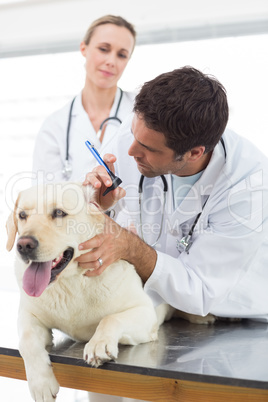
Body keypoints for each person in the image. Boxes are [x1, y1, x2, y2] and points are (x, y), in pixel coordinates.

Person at [77, 66, 268, 323]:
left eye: (146, 148)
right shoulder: (141, 133)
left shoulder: (248, 188)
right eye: (133, 134)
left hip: (235, 321)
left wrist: (131, 248)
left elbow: (200, 290)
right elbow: (99, 203)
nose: (131, 151)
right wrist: (98, 203)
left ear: (194, 153)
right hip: (157, 306)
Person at [32, 15, 136, 183]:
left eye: (122, 55)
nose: (111, 61)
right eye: (103, 49)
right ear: (84, 48)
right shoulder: (54, 127)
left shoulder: (142, 112)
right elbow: (44, 197)